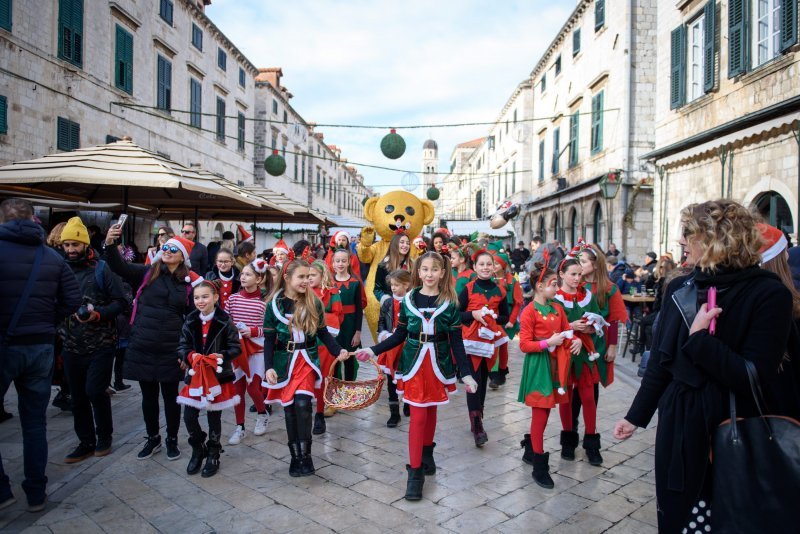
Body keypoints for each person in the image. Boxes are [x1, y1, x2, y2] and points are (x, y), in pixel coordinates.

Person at [614, 200, 795, 532]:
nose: (681, 241)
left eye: (688, 233)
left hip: (735, 427)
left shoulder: (769, 294)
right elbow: (661, 363)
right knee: (677, 517)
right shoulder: (679, 288)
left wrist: (701, 343)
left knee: (729, 516)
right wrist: (635, 416)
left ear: (716, 238)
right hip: (681, 426)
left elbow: (753, 376)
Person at [356, 252, 478, 501]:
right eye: (425, 269)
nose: (430, 274)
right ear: (418, 272)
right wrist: (372, 350)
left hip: (438, 365)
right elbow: (399, 334)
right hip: (413, 364)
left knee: (430, 410)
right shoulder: (409, 300)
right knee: (418, 415)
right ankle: (415, 473)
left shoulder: (450, 303)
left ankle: (427, 452)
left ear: (443, 273)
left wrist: (466, 374)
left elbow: (457, 343)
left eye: (435, 269)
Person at [0, 198, 81, 512]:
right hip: (41, 345)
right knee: (34, 424)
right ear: (33, 220)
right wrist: (48, 320)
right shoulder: (52, 257)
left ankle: (3, 491)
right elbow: (72, 300)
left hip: (4, 345)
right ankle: (35, 492)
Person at [104, 226, 203, 461]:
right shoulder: (147, 272)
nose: (167, 250)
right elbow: (119, 266)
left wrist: (188, 353)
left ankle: (171, 439)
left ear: (182, 257)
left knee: (170, 397)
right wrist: (109, 244)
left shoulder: (188, 283)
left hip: (171, 346)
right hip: (144, 343)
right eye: (165, 247)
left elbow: (192, 320)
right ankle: (152, 438)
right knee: (148, 397)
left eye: (173, 249)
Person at [262, 259, 349, 477]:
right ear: (287, 278)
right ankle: (296, 457)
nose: (306, 281)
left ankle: (307, 455)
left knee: (303, 405)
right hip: (285, 363)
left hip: (307, 361)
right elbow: (269, 340)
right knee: (290, 409)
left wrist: (338, 350)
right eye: (301, 277)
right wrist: (268, 367)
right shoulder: (274, 305)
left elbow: (323, 333)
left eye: (308, 276)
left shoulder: (314, 302)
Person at [58, 217, 128, 463]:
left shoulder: (101, 269)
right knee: (77, 397)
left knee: (94, 391)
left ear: (85, 245)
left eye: (74, 245)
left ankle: (104, 437)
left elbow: (121, 302)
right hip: (70, 345)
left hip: (101, 343)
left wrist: (99, 314)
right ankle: (85, 441)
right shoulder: (59, 269)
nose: (70, 250)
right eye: (66, 245)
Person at [518, 261, 581, 488]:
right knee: (541, 415)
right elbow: (524, 345)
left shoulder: (557, 308)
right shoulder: (529, 312)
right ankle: (539, 466)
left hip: (557, 367)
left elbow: (567, 332)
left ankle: (530, 447)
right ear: (539, 286)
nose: (557, 288)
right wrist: (547, 343)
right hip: (538, 368)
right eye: (553, 284)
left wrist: (577, 340)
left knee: (545, 414)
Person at [177, 280, 241, 477]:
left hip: (217, 376)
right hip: (196, 376)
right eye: (196, 297)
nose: (200, 301)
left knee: (214, 416)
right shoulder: (190, 320)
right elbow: (182, 346)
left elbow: (235, 347)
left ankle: (214, 452)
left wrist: (222, 356)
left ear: (215, 297)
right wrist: (189, 356)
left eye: (205, 296)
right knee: (189, 416)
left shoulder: (225, 321)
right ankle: (198, 447)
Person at [555, 256, 605, 465]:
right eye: (573, 274)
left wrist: (591, 326)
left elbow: (598, 319)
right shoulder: (555, 298)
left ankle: (591, 444)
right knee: (565, 397)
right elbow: (551, 327)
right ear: (562, 275)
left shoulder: (588, 296)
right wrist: (570, 327)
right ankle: (568, 440)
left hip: (585, 352)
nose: (577, 278)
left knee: (588, 398)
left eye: (579, 274)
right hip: (565, 354)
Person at [458, 249, 509, 447]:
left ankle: (478, 415)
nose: (486, 268)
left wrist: (493, 317)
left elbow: (504, 316)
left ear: (494, 267)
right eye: (482, 264)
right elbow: (457, 314)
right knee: (473, 380)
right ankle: (477, 424)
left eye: (489, 264)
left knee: (484, 379)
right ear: (475, 267)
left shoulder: (500, 291)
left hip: (490, 343)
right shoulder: (469, 289)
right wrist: (474, 314)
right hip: (471, 342)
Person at [224, 261, 271, 445]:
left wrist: (253, 331)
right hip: (237, 349)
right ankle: (240, 427)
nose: (243, 277)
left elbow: (268, 329)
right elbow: (226, 322)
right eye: (242, 274)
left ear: (259, 279)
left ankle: (262, 413)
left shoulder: (264, 302)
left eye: (248, 274)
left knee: (253, 388)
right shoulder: (233, 299)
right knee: (238, 389)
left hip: (256, 350)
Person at [308, 260, 343, 435]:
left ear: (322, 276)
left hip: (324, 341)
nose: (309, 278)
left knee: (323, 377)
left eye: (313, 275)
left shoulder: (331, 292)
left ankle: (319, 414)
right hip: (307, 342)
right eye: (307, 275)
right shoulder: (303, 292)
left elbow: (338, 314)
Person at [377, 269, 412, 428]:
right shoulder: (387, 303)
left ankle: (408, 402)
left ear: (406, 285)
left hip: (407, 347)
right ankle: (394, 413)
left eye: (397, 285)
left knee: (408, 377)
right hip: (391, 345)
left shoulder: (412, 302)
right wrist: (383, 334)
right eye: (392, 285)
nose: (393, 288)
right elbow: (381, 321)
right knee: (391, 379)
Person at [331, 247, 366, 386]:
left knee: (349, 359)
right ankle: (335, 389)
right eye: (337, 261)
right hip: (334, 326)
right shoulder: (329, 283)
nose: (340, 264)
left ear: (348, 263)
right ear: (333, 263)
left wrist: (357, 333)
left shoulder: (355, 283)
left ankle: (349, 389)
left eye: (343, 261)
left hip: (350, 326)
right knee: (335, 358)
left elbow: (358, 310)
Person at [490, 244, 522, 389]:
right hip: (492, 318)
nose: (493, 266)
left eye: (496, 263)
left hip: (506, 319)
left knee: (502, 346)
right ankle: (493, 374)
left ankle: (500, 373)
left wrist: (511, 320)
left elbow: (517, 303)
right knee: (492, 346)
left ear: (503, 266)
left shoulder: (512, 281)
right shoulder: (489, 280)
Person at [374, 232, 411, 306]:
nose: (405, 245)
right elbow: (377, 290)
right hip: (390, 307)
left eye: (407, 243)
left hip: (409, 306)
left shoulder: (412, 264)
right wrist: (386, 300)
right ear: (395, 244)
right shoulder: (383, 266)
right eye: (402, 242)